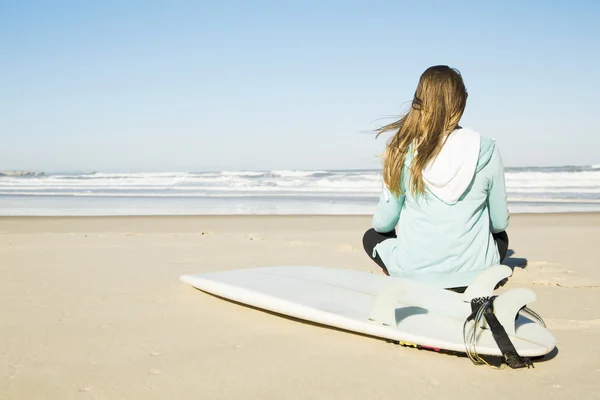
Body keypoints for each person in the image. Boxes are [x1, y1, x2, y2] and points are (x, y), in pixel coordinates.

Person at [363, 65, 510, 292]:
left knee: (371, 237)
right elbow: (498, 223)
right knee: (501, 238)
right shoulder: (486, 148)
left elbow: (383, 223)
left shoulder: (403, 150)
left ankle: (401, 271)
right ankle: (479, 274)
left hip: (414, 275)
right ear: (460, 103)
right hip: (473, 278)